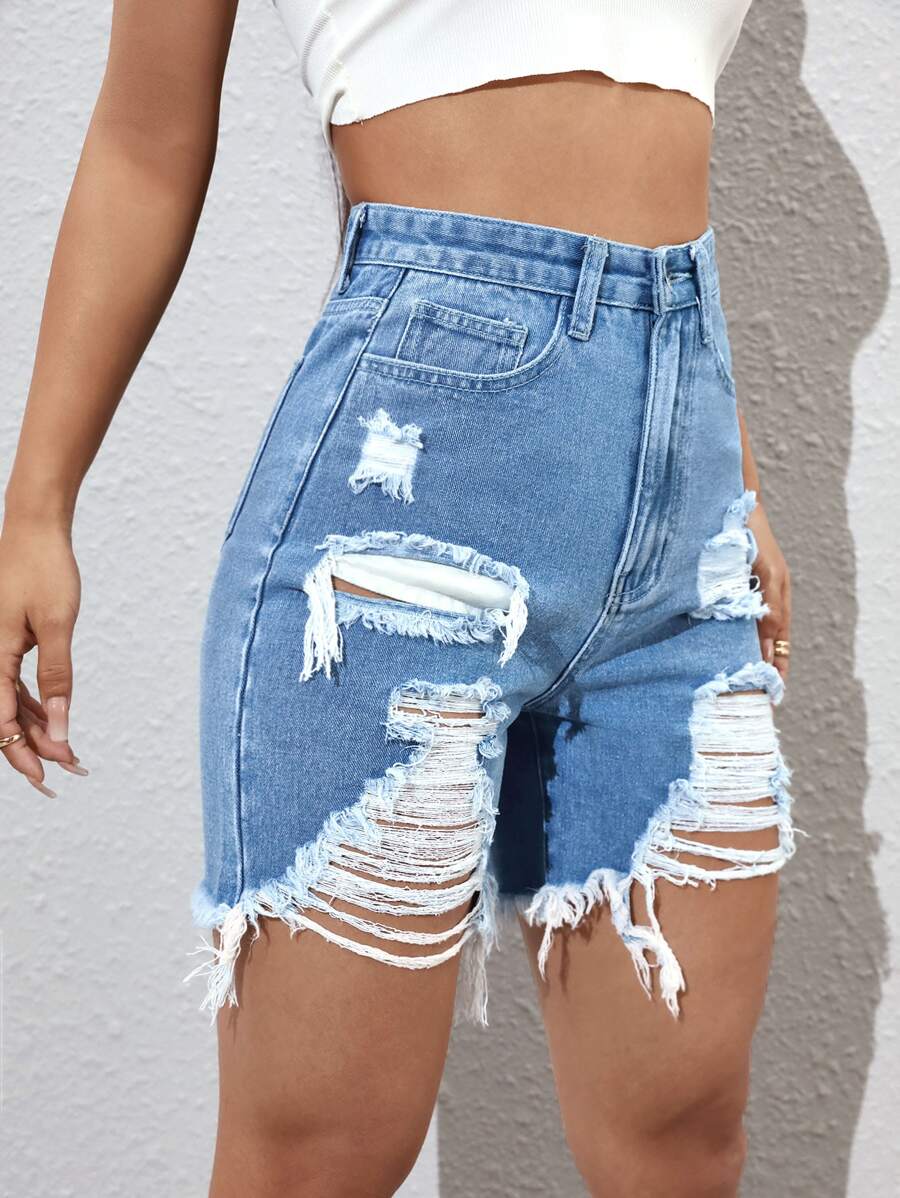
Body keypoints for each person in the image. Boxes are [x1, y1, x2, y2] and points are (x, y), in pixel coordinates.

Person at [1, 2, 796, 1195]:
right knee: (318, 1158)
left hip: (685, 505)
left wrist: (726, 464)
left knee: (683, 1143)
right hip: (407, 503)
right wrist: (37, 507)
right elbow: (144, 140)